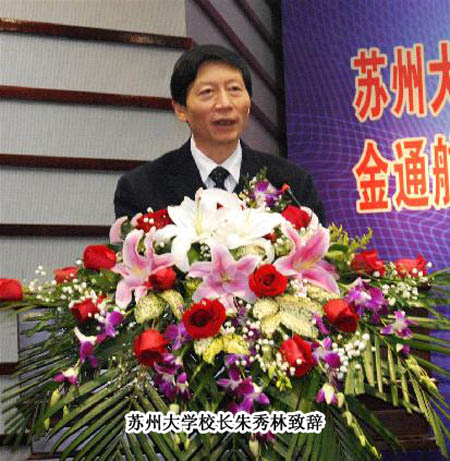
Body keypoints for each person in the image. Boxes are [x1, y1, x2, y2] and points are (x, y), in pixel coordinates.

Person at [114, 44, 325, 223]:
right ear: (180, 109)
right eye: (207, 92)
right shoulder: (141, 188)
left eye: (234, 89)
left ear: (249, 103)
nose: (225, 103)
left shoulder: (291, 183)